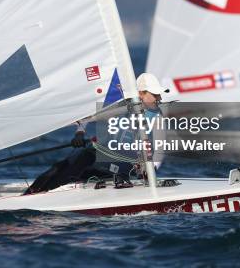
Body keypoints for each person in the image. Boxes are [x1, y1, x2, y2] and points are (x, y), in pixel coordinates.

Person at [24, 73, 169, 194]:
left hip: (124, 165)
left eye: (159, 95)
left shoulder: (157, 115)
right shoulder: (122, 105)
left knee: (78, 168)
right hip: (101, 153)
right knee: (59, 167)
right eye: (155, 95)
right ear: (140, 94)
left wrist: (151, 168)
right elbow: (89, 116)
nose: (159, 99)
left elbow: (160, 149)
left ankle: (52, 191)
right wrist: (80, 134)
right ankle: (31, 194)